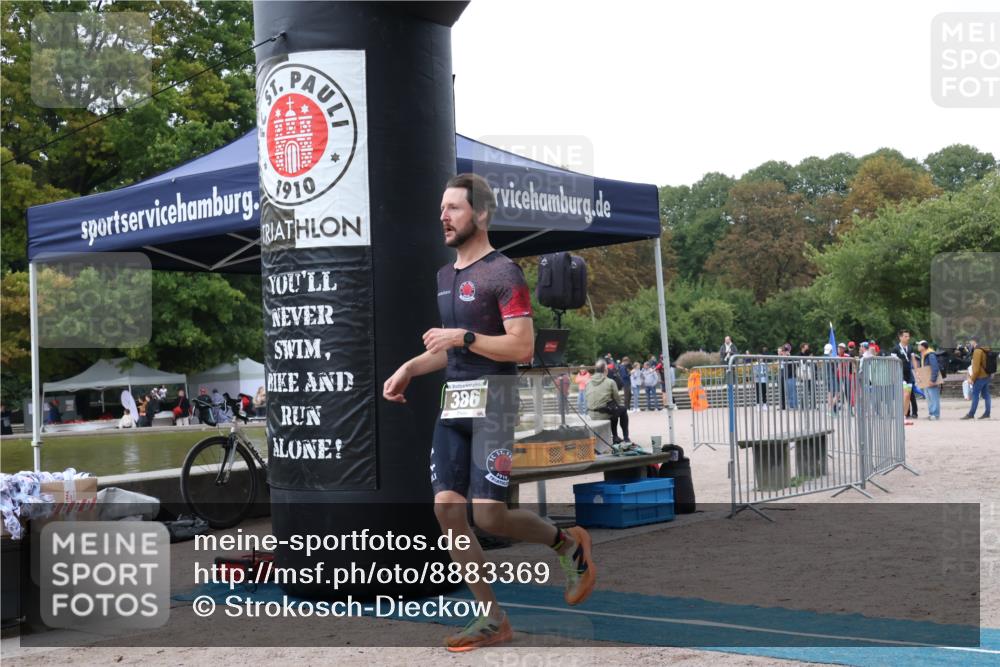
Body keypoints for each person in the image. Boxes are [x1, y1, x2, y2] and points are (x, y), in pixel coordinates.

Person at [382, 173, 595, 651]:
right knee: (447, 508)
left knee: (491, 518)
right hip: (453, 402)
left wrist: (462, 338)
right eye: (442, 208)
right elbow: (449, 350)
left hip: (495, 402)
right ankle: (492, 618)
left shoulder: (504, 273)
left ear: (479, 214)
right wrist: (410, 368)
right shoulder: (445, 276)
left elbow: (521, 346)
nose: (443, 216)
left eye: (453, 208)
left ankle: (567, 543)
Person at [586, 359, 631, 445]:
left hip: (591, 413)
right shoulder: (610, 381)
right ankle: (625, 438)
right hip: (604, 414)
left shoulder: (588, 382)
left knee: (613, 410)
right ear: (605, 370)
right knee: (622, 409)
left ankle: (615, 437)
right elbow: (617, 399)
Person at [961, 336, 993, 420]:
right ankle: (987, 413)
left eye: (970, 342)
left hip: (980, 377)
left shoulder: (977, 351)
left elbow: (976, 368)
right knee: (986, 395)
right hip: (986, 375)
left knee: (975, 395)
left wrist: (972, 378)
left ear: (973, 342)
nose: (969, 344)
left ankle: (971, 414)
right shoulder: (984, 349)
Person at [891, 329, 919, 419]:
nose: (908, 338)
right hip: (900, 373)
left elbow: (913, 359)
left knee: (909, 393)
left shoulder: (910, 348)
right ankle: (903, 414)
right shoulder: (895, 348)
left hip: (908, 373)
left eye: (908, 336)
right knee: (905, 394)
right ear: (900, 337)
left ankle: (905, 414)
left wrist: (916, 371)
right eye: (905, 336)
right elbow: (893, 363)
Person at [917, 341, 942, 420]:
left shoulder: (930, 355)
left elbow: (935, 367)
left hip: (931, 380)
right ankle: (931, 413)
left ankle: (935, 414)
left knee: (933, 397)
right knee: (929, 398)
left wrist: (933, 380)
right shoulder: (924, 355)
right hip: (926, 380)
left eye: (919, 345)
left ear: (923, 347)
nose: (918, 346)